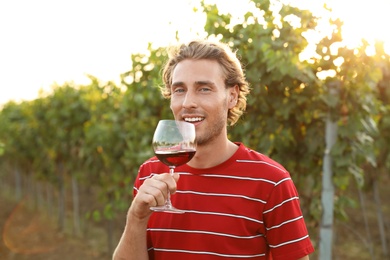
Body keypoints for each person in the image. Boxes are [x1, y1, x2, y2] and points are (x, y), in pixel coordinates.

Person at [113, 39, 314, 260]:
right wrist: (136, 218)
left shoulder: (271, 182)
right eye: (179, 90)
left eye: (204, 89)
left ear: (232, 96)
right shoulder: (150, 173)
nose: (188, 102)